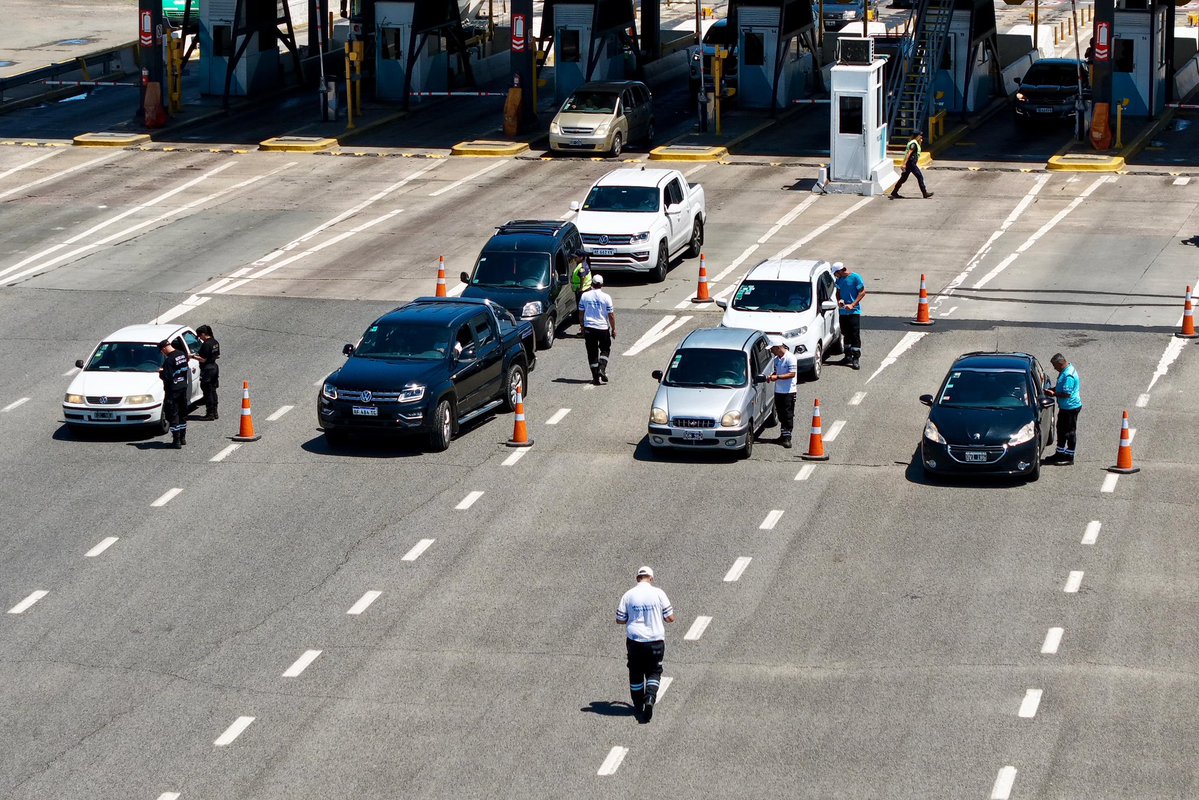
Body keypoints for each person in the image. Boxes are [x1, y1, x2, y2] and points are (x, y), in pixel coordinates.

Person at [615, 566, 675, 723]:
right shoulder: (658, 593)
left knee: (635, 672)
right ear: (651, 578)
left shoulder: (628, 595)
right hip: (655, 640)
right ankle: (650, 697)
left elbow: (620, 619)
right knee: (654, 671)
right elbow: (670, 618)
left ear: (637, 578)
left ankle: (637, 706)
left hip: (635, 641)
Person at [578, 273, 616, 385]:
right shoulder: (606, 297)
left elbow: (581, 312)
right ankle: (602, 369)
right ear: (602, 284)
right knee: (605, 348)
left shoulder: (585, 296)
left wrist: (582, 325)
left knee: (592, 353)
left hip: (589, 328)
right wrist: (613, 329)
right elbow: (611, 315)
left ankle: (595, 378)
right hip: (602, 328)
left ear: (592, 284)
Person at [1045, 353, 1082, 465]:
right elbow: (1062, 386)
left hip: (1070, 407)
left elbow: (1066, 393)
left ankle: (1069, 456)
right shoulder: (1065, 371)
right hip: (1065, 407)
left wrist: (1053, 393)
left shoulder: (1068, 375)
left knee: (1069, 432)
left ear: (1060, 364)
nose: (1054, 368)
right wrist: (1053, 389)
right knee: (1061, 429)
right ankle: (1060, 453)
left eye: (1055, 366)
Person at [834, 262, 867, 370]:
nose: (835, 276)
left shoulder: (855, 278)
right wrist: (840, 300)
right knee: (845, 333)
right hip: (843, 312)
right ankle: (847, 356)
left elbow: (862, 292)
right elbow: (838, 292)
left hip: (853, 312)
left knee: (854, 334)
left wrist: (853, 304)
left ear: (840, 271)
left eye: (835, 273)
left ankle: (855, 358)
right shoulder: (839, 280)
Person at [158, 339, 190, 448]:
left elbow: (167, 377)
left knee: (173, 415)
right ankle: (183, 438)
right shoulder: (182, 355)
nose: (163, 353)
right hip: (183, 388)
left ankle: (176, 441)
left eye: (162, 351)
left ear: (164, 349)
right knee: (182, 414)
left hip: (173, 391)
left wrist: (161, 373)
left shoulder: (169, 361)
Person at [767, 337, 798, 448]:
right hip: (779, 391)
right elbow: (776, 371)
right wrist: (771, 376)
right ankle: (783, 434)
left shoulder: (790, 358)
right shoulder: (776, 359)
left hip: (789, 392)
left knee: (787, 414)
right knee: (780, 413)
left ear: (778, 347)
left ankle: (787, 438)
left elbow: (792, 374)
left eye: (772, 349)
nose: (771, 351)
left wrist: (777, 377)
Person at [890, 131, 933, 200]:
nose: (921, 137)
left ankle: (894, 192)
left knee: (903, 178)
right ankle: (925, 193)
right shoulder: (913, 144)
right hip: (911, 163)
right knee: (919, 176)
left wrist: (920, 143)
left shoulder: (915, 143)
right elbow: (909, 153)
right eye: (920, 135)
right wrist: (904, 164)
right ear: (917, 136)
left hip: (909, 163)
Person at [194, 324, 220, 420]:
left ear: (204, 334)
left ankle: (210, 414)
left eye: (200, 336)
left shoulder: (206, 344)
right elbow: (217, 355)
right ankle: (215, 412)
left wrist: (192, 356)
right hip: (214, 367)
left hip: (208, 369)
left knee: (207, 392)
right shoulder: (215, 342)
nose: (200, 338)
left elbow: (203, 359)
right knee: (213, 391)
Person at [570, 253, 593, 322]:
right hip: (585, 289)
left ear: (581, 257)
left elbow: (582, 277)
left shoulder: (582, 267)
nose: (574, 259)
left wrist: (580, 289)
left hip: (583, 290)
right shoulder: (583, 264)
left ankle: (583, 326)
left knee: (582, 309)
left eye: (576, 257)